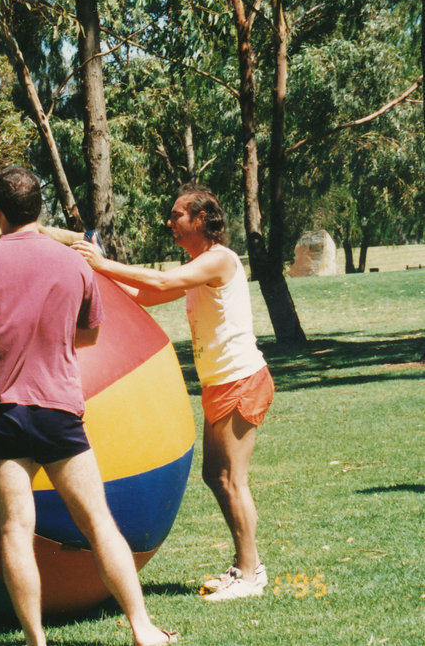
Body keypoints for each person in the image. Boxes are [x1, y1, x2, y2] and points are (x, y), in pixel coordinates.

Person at [0, 166, 176, 646]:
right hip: (58, 410)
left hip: (1, 413)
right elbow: (90, 333)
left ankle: (35, 641)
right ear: (38, 209)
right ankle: (142, 629)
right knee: (99, 522)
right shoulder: (74, 264)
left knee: (16, 530)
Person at [73, 182, 274, 602]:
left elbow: (161, 280)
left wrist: (103, 264)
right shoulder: (200, 264)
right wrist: (98, 271)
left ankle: (251, 573)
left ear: (202, 219)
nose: (170, 222)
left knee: (229, 479)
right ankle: (246, 566)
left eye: (177, 215)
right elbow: (147, 294)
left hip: (241, 379)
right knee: (217, 477)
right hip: (222, 382)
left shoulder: (218, 260)